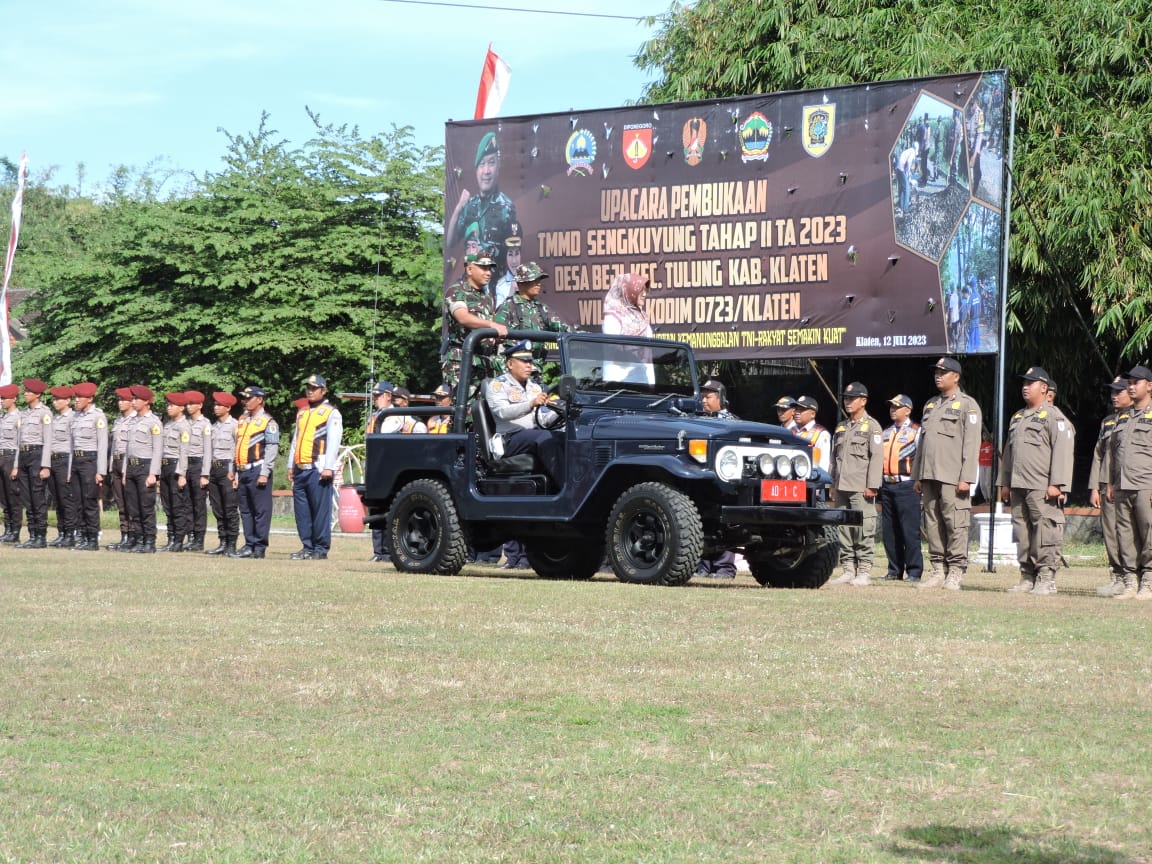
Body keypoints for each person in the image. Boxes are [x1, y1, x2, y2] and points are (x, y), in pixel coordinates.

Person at [998, 367, 1073, 595]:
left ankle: (1046, 577)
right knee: (1022, 533)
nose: (1025, 387)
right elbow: (1009, 453)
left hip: (1042, 486)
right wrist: (1004, 483)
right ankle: (1027, 576)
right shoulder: (1018, 417)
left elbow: (1063, 451)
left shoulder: (1054, 417)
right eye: (1024, 383)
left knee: (1045, 532)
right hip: (1018, 485)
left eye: (1030, 383)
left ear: (1044, 388)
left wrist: (1057, 484)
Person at [912, 357, 982, 590]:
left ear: (956, 377)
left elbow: (972, 444)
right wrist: (917, 475)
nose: (938, 376)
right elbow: (922, 443)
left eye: (943, 372)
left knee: (955, 523)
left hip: (953, 476)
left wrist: (967, 478)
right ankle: (937, 570)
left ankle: (955, 570)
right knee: (932, 523)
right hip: (929, 474)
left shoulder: (967, 405)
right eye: (936, 372)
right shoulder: (931, 404)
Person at [826, 382, 883, 586]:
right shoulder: (841, 426)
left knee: (863, 528)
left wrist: (872, 485)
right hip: (842, 486)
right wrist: (831, 483)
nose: (847, 402)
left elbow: (877, 458)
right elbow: (834, 458)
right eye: (846, 398)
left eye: (852, 398)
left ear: (863, 401)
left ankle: (864, 570)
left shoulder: (872, 426)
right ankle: (848, 569)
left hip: (861, 487)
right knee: (844, 528)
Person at [485, 340, 564, 486]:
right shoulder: (498, 385)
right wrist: (530, 404)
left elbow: (542, 419)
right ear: (510, 364)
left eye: (530, 361)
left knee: (565, 436)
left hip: (533, 434)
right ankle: (566, 487)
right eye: (524, 361)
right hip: (510, 438)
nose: (529, 365)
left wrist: (561, 411)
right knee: (545, 437)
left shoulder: (535, 387)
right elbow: (503, 412)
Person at [1107, 365, 1152, 600]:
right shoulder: (1123, 417)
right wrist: (1111, 482)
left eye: (1136, 382)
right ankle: (1130, 581)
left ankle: (1149, 581)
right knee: (1125, 535)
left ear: (1149, 386)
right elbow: (1114, 453)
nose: (1131, 387)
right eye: (1130, 383)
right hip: (1122, 485)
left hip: (1146, 484)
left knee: (1149, 533)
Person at [288, 374, 344, 560]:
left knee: (320, 511)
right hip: (300, 467)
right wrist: (290, 464)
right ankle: (307, 546)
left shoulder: (331, 412)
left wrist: (329, 467)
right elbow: (296, 440)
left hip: (318, 468)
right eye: (308, 388)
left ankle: (320, 548)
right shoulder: (302, 412)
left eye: (314, 388)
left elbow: (334, 442)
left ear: (323, 390)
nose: (310, 391)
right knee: (302, 511)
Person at [448, 132, 519, 274]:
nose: (486, 171)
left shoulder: (507, 207)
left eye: (491, 163)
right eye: (482, 164)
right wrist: (458, 208)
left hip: (496, 284)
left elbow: (512, 252)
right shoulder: (469, 206)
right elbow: (450, 242)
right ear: (476, 170)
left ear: (498, 167)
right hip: (472, 282)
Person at [1089, 376, 1133, 596]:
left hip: (1129, 484)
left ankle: (1134, 576)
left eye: (1119, 391)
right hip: (1106, 486)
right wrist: (1094, 487)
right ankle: (1117, 575)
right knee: (1110, 532)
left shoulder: (1138, 418)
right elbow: (1098, 455)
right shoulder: (1108, 421)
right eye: (1112, 392)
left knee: (1131, 533)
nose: (1114, 396)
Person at [441, 253, 508, 390]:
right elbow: (463, 318)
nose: (488, 273)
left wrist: (495, 338)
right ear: (469, 270)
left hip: (485, 362)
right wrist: (492, 325)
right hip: (462, 362)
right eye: (484, 268)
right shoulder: (457, 290)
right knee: (464, 402)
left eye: (489, 269)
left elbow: (487, 324)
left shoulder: (487, 296)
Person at [229, 385, 279, 559]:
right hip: (242, 470)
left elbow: (271, 448)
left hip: (258, 469)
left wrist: (265, 472)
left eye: (248, 398)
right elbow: (236, 446)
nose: (245, 401)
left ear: (259, 399)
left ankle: (259, 546)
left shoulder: (268, 422)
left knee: (260, 511)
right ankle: (249, 544)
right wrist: (234, 471)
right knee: (246, 510)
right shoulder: (243, 420)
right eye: (243, 398)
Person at [696, 380, 738, 579]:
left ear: (721, 398)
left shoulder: (733, 423)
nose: (704, 400)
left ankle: (724, 568)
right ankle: (703, 566)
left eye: (708, 397)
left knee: (726, 524)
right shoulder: (696, 419)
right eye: (702, 396)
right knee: (702, 522)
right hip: (703, 481)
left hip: (726, 483)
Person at [879, 394, 923, 582]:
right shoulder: (886, 432)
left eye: (897, 407)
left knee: (909, 530)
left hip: (907, 485)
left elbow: (921, 458)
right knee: (890, 531)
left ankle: (914, 571)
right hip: (887, 484)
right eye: (891, 407)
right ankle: (894, 570)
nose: (893, 410)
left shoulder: (916, 431)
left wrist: (919, 481)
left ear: (908, 410)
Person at [123, 385, 164, 554]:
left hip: (145, 467)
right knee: (133, 507)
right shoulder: (132, 421)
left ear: (146, 401)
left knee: (146, 507)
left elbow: (158, 449)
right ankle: (139, 540)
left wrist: (153, 473)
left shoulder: (154, 422)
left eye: (136, 399)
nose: (133, 402)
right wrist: (125, 470)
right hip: (131, 466)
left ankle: (149, 541)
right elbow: (127, 448)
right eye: (132, 399)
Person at [68, 382, 108, 551]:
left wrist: (101, 471)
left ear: (90, 399)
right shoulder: (76, 417)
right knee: (78, 502)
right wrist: (70, 469)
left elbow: (103, 445)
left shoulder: (98, 417)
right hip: (76, 461)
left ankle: (92, 538)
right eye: (75, 397)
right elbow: (72, 445)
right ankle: (83, 536)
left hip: (90, 461)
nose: (76, 400)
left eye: (80, 397)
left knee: (89, 501)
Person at [13, 378, 52, 549]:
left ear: (37, 394)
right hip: (23, 455)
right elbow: (18, 442)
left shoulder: (45, 413)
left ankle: (41, 536)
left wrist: (46, 465)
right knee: (27, 498)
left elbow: (48, 441)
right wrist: (16, 464)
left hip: (37, 454)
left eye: (29, 391)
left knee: (37, 497)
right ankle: (32, 535)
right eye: (25, 391)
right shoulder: (23, 414)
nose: (25, 394)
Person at [205, 391, 241, 556]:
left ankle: (232, 543)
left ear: (228, 408)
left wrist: (235, 472)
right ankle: (223, 541)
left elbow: (237, 451)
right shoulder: (213, 427)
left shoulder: (235, 426)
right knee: (217, 507)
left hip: (228, 469)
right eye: (215, 404)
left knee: (230, 508)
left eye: (220, 405)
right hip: (214, 469)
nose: (216, 407)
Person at [494, 262, 574, 335]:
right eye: (534, 280)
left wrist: (578, 334)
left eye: (539, 280)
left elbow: (561, 327)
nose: (538, 284)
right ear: (521, 283)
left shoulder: (542, 308)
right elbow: (497, 334)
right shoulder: (508, 306)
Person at [44, 385, 79, 547]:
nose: (55, 402)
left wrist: (71, 468)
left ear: (67, 401)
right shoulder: (55, 418)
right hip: (53, 460)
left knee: (66, 499)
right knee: (57, 498)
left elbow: (73, 444)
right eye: (54, 399)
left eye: (58, 399)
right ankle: (62, 532)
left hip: (65, 460)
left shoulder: (73, 418)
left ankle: (71, 533)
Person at [157, 391, 192, 552]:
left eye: (172, 405)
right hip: (164, 467)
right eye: (168, 405)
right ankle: (171, 538)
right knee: (168, 505)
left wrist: (182, 474)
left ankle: (178, 540)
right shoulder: (168, 425)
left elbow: (184, 452)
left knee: (178, 505)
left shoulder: (184, 427)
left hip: (175, 467)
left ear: (181, 408)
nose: (168, 408)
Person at [365, 380, 396, 562]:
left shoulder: (394, 416)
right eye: (375, 395)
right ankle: (378, 551)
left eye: (379, 395)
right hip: (374, 467)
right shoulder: (375, 416)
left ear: (388, 396)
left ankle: (388, 551)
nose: (376, 398)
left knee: (388, 509)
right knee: (375, 509)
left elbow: (383, 439)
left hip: (387, 468)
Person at [104, 387, 138, 550]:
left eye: (124, 400)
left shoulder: (135, 420)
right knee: (120, 501)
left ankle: (133, 535)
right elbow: (114, 445)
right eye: (119, 400)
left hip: (128, 462)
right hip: (116, 462)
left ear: (132, 402)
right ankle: (124, 535)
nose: (120, 403)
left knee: (130, 501)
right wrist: (111, 465)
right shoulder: (118, 421)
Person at [182, 391, 213, 551]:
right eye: (187, 403)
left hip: (198, 465)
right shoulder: (185, 423)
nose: (188, 406)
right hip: (186, 465)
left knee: (198, 504)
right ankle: (191, 536)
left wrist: (205, 474)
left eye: (191, 403)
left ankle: (199, 538)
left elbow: (208, 451)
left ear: (200, 405)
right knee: (187, 503)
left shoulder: (205, 424)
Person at [0, 384, 23, 543]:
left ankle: (15, 531)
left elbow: (20, 443)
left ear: (14, 399)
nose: (2, 401)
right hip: (1, 457)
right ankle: (7, 528)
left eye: (4, 398)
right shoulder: (3, 417)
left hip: (11, 457)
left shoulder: (18, 418)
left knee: (13, 496)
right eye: (1, 398)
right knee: (3, 496)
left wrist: (16, 465)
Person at [792, 395, 831, 473]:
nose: (797, 413)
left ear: (813, 414)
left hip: (810, 477)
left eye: (801, 410)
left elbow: (823, 464)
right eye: (796, 409)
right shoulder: (791, 430)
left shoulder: (821, 434)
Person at [493, 230, 522, 308]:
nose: (514, 261)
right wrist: (511, 294)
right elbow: (499, 314)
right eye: (510, 254)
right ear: (505, 257)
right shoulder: (500, 286)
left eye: (517, 254)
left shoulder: (531, 281)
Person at [896, 141, 918, 216]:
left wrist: (908, 173)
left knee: (903, 189)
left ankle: (901, 207)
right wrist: (908, 172)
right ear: (916, 148)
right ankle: (906, 210)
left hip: (898, 169)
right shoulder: (912, 152)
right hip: (901, 169)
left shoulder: (909, 150)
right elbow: (908, 162)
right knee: (907, 189)